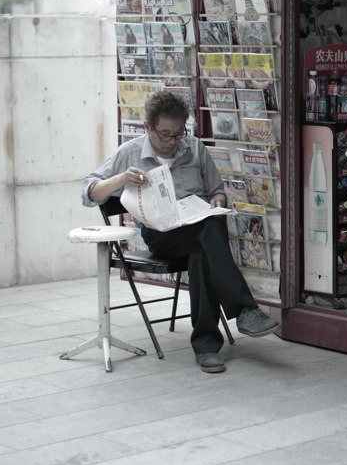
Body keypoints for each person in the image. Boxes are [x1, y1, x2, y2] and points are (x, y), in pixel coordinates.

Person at [82, 91, 280, 374]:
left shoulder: (195, 148)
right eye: (165, 135)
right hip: (162, 235)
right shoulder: (130, 153)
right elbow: (88, 192)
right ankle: (243, 311)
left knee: (203, 250)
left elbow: (217, 191)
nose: (173, 142)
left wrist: (218, 201)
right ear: (148, 128)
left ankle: (207, 346)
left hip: (198, 230)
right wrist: (120, 179)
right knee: (209, 232)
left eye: (178, 134)